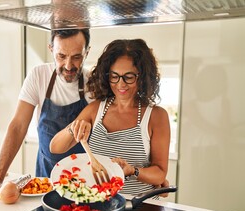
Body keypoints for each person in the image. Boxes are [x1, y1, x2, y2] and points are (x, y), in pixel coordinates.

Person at [0, 29, 92, 199]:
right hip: (44, 182)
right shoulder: (39, 75)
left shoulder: (94, 83)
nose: (68, 66)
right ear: (51, 49)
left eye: (76, 57)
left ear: (87, 52)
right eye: (61, 56)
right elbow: (18, 126)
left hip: (84, 185)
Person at [50, 39, 170, 196]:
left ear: (142, 77)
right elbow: (55, 147)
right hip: (100, 206)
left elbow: (160, 173)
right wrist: (73, 129)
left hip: (140, 207)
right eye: (114, 76)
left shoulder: (156, 116)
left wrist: (132, 171)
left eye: (129, 77)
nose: (120, 84)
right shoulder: (96, 109)